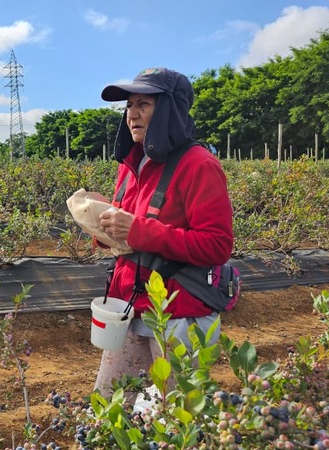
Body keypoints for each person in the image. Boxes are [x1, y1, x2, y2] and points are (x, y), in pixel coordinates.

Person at [92, 68, 234, 398]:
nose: (132, 114)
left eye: (144, 104)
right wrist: (101, 226)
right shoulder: (131, 163)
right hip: (131, 306)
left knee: (176, 413)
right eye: (129, 105)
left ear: (170, 109)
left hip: (180, 315)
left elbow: (217, 245)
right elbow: (128, 231)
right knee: (110, 406)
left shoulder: (199, 165)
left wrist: (138, 230)